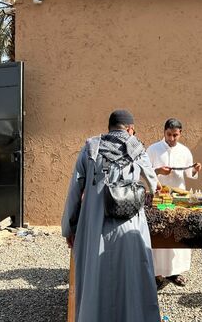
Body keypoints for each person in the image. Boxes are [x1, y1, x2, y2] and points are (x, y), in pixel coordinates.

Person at [61, 109, 161, 322]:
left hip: (95, 226)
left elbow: (74, 191)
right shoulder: (137, 148)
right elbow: (153, 185)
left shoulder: (90, 148)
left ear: (109, 128)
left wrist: (69, 228)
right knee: (132, 279)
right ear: (130, 129)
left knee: (96, 280)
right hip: (130, 226)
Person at [147, 118, 202, 289]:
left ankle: (174, 272)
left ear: (180, 134)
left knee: (178, 233)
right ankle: (156, 273)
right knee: (159, 233)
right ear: (164, 132)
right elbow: (145, 171)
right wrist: (158, 171)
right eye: (169, 135)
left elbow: (189, 173)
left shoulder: (185, 151)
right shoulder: (153, 149)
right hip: (159, 199)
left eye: (175, 135)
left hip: (179, 199)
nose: (172, 139)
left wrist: (195, 169)